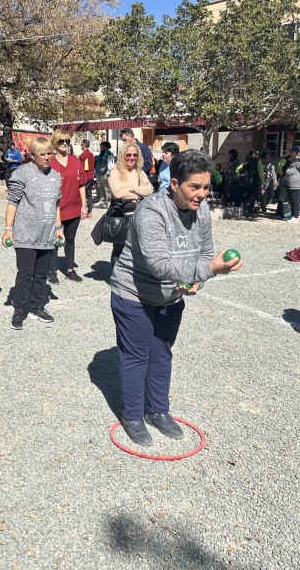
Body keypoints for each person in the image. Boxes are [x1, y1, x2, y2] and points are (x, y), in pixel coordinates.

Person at [110, 150, 242, 446]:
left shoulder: (203, 210)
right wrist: (208, 269)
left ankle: (158, 411)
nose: (201, 195)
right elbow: (159, 264)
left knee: (162, 353)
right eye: (194, 187)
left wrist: (198, 280)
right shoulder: (151, 211)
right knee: (136, 356)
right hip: (134, 294)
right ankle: (132, 415)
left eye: (206, 187)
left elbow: (206, 252)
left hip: (170, 297)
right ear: (174, 184)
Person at [2, 137, 66, 329]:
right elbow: (12, 202)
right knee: (25, 274)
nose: (47, 157)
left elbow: (56, 205)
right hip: (26, 234)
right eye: (43, 154)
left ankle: (37, 308)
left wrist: (58, 228)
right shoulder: (22, 173)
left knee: (41, 275)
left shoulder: (55, 176)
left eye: (49, 153)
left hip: (47, 235)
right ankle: (19, 311)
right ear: (33, 155)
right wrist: (7, 230)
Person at [48, 129, 87, 284]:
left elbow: (82, 184)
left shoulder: (76, 162)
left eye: (67, 141)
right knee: (54, 240)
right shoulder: (49, 162)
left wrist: (84, 205)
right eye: (61, 141)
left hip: (73, 207)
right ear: (55, 143)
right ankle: (52, 271)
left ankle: (70, 269)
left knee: (70, 239)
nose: (64, 144)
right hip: (55, 208)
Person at [108, 143, 153, 268]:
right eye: (128, 154)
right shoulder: (115, 173)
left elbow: (149, 190)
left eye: (135, 154)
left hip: (138, 217)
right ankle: (116, 277)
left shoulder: (140, 173)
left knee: (136, 249)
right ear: (123, 155)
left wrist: (131, 188)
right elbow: (117, 194)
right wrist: (138, 192)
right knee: (118, 249)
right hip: (120, 216)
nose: (132, 158)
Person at [236, 149, 264, 218]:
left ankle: (245, 210)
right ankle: (250, 212)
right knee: (252, 197)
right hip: (254, 182)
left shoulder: (246, 162)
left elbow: (237, 170)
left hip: (246, 182)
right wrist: (262, 182)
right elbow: (261, 173)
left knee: (247, 195)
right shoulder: (258, 162)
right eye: (256, 154)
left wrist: (240, 178)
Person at [284, 147, 300, 223]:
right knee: (291, 201)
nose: (291, 154)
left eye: (293, 153)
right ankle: (292, 215)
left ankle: (295, 217)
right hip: (291, 184)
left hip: (297, 184)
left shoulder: (299, 162)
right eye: (291, 152)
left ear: (297, 153)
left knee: (295, 201)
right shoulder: (292, 161)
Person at [78, 139, 96, 216]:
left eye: (81, 145)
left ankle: (81, 210)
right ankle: (89, 211)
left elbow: (81, 167)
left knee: (81, 194)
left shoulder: (83, 156)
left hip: (85, 177)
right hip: (91, 176)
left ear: (84, 145)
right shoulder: (92, 155)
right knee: (89, 195)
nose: (81, 146)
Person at [94, 141, 114, 206]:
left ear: (105, 147)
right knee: (100, 187)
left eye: (101, 146)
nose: (100, 148)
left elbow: (110, 164)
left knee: (106, 188)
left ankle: (108, 200)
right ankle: (102, 199)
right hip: (98, 173)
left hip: (105, 173)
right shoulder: (101, 153)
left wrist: (108, 173)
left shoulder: (109, 154)